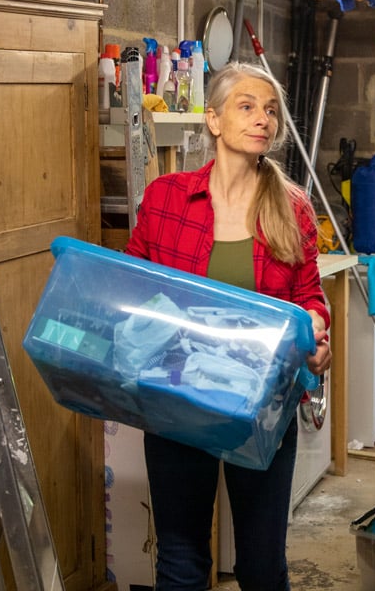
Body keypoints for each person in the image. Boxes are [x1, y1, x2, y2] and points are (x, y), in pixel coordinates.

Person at [124, 61, 331, 591]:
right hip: (177, 398)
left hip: (261, 405)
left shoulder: (293, 209)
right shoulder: (166, 198)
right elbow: (133, 287)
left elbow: (310, 296)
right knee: (180, 560)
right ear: (213, 121)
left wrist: (316, 328)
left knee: (261, 565)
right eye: (247, 106)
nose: (263, 119)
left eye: (270, 110)